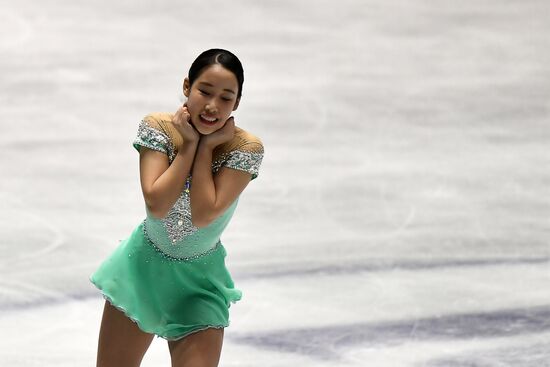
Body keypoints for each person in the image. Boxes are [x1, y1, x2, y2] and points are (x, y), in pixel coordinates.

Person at [89, 48, 264, 367]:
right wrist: (189, 146)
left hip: (199, 285)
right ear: (187, 87)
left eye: (226, 98)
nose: (212, 106)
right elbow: (156, 203)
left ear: (237, 103)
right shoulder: (158, 128)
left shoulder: (244, 148)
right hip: (141, 271)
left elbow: (203, 213)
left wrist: (207, 147)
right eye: (204, 91)